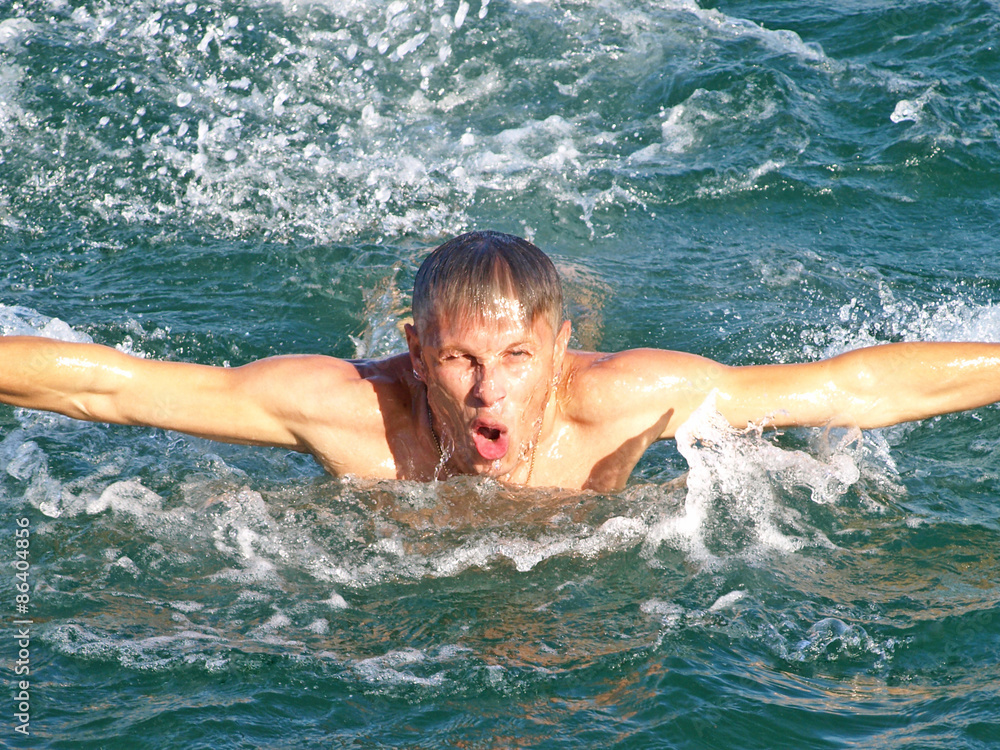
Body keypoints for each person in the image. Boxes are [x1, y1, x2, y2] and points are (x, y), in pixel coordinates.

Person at [3, 230, 1000, 491]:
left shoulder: (623, 397)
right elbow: (112, 387)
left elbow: (855, 386)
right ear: (415, 355)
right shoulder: (347, 408)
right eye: (460, 362)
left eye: (519, 358)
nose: (490, 393)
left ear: (562, 352)